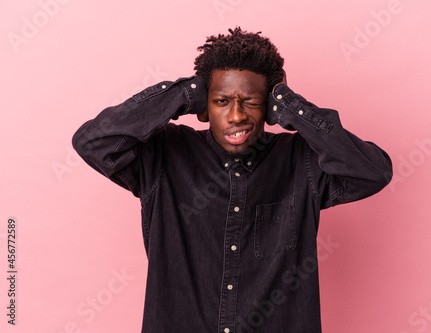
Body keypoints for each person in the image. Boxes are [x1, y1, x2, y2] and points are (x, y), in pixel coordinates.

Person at [72, 27, 392, 333]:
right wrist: (186, 91)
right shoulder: (163, 156)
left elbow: (373, 172)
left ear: (268, 107)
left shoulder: (304, 162)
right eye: (222, 101)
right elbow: (92, 143)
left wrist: (290, 103)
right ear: (203, 108)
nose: (236, 115)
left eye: (251, 101)